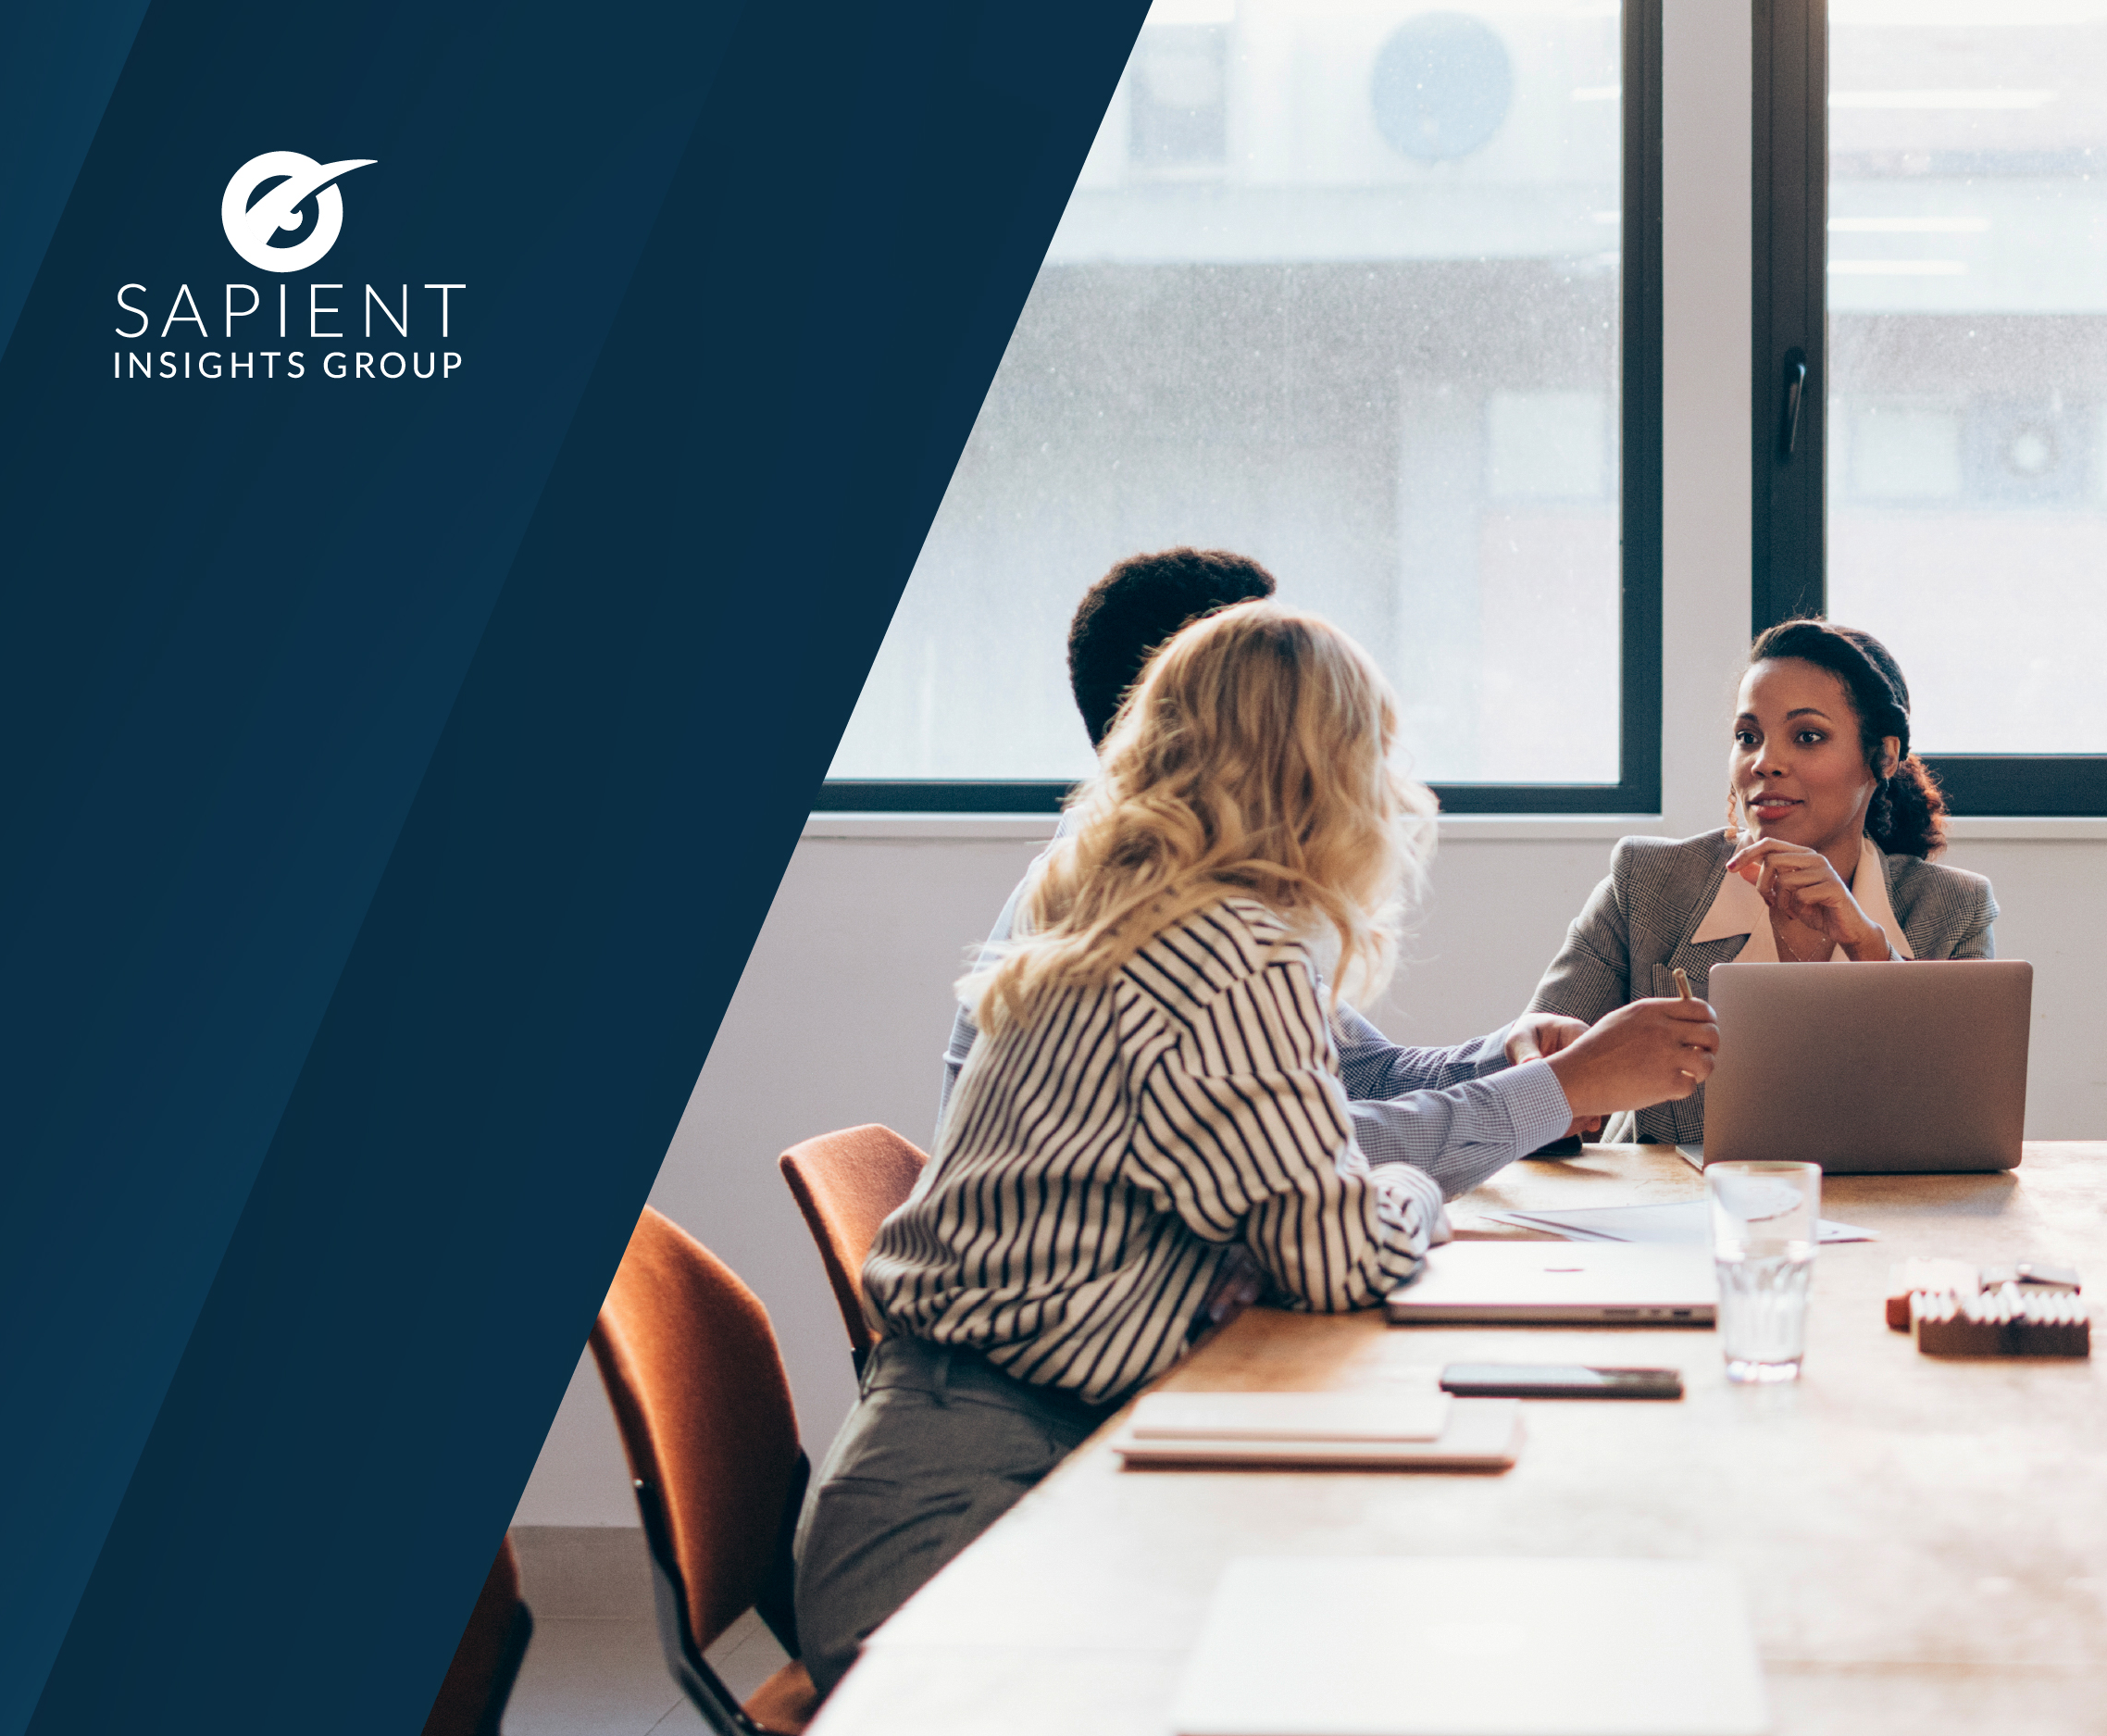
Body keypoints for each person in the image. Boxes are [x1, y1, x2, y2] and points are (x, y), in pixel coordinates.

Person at [796, 605, 1720, 1691]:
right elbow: (1338, 1256)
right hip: (966, 1546)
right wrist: (1410, 1189)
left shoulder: (1128, 906)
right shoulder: (1230, 951)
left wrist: (1336, 1189)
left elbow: (1303, 1160)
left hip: (969, 1469)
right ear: (1325, 773)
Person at [943, 547, 1654, 1195]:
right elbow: (1320, 1155)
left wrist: (1504, 1059)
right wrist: (1554, 1090)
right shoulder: (1143, 912)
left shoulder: (1189, 886)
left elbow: (1353, 1075)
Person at [1527, 618, 2000, 1145]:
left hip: (1872, 1218)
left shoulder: (1952, 909)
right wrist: (1572, 1089)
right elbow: (1524, 1090)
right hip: (1671, 1214)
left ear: (1882, 756)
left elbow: (1960, 1127)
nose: (1765, 762)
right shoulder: (1648, 885)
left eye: (1808, 736)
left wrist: (1871, 951)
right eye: (1747, 737)